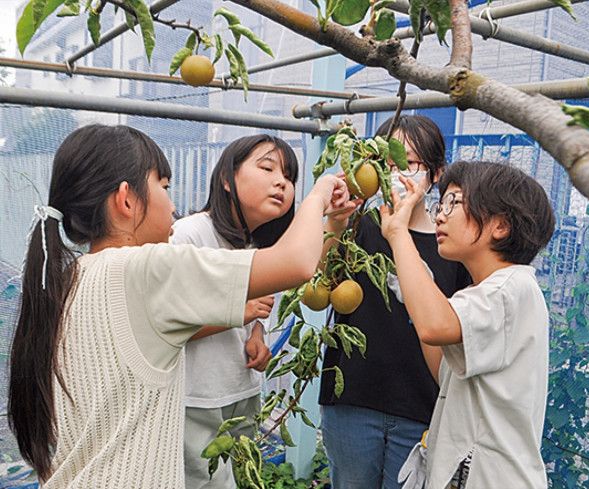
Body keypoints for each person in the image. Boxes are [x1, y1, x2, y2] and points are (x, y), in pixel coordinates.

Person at [7, 124, 352, 489]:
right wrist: (320, 193)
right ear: (126, 200)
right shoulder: (147, 268)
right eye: (164, 187)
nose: (173, 204)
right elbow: (297, 263)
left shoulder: (72, 276)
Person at [380, 161, 555, 488]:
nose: (440, 215)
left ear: (500, 226)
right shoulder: (488, 292)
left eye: (453, 203)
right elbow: (443, 370)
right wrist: (416, 288)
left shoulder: (509, 289)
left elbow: (433, 326)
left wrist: (398, 234)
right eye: (440, 204)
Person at [319, 115, 471, 489]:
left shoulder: (451, 246)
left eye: (408, 163)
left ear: (435, 174)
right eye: (384, 163)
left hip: (421, 407)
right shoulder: (357, 227)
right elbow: (319, 280)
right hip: (352, 398)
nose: (394, 173)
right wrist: (335, 222)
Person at [171, 135, 299, 488]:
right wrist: (235, 312)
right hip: (194, 399)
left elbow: (257, 313)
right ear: (227, 179)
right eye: (267, 168)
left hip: (239, 393)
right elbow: (165, 323)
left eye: (289, 177)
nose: (281, 183)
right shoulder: (190, 235)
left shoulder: (257, 246)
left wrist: (257, 333)